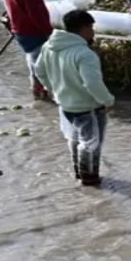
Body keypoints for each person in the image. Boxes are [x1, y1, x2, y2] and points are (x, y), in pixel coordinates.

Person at [33, 10, 115, 187]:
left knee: (76, 138)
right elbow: (92, 83)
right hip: (87, 106)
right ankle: (90, 179)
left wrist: (53, 89)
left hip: (65, 105)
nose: (93, 32)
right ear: (83, 28)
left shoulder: (49, 46)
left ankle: (79, 173)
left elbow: (39, 70)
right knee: (90, 142)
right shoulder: (84, 54)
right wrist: (107, 100)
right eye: (91, 28)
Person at [3, 0, 53, 100]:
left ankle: (37, 92)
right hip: (32, 31)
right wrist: (49, 32)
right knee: (39, 64)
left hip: (19, 29)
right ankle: (42, 92)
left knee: (32, 59)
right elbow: (37, 14)